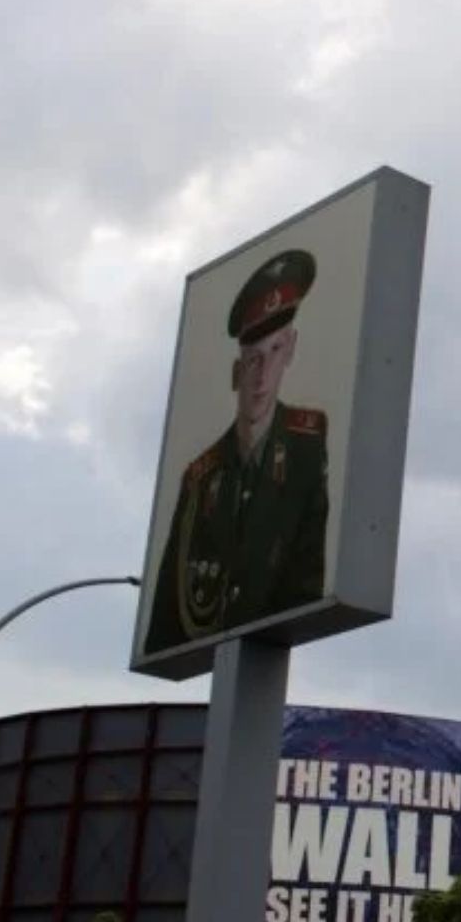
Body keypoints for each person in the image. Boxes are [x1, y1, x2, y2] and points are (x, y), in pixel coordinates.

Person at [144, 248, 330, 654]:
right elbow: (164, 623)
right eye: (252, 360)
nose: (262, 375)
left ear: (291, 350)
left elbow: (307, 581)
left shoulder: (308, 448)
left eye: (275, 353)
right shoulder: (199, 478)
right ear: (236, 369)